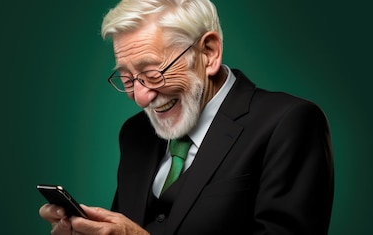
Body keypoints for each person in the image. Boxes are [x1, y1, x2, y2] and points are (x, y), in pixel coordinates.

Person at [39, 0, 334, 234]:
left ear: (208, 53)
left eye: (153, 73)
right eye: (127, 79)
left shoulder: (290, 122)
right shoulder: (134, 133)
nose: (141, 97)